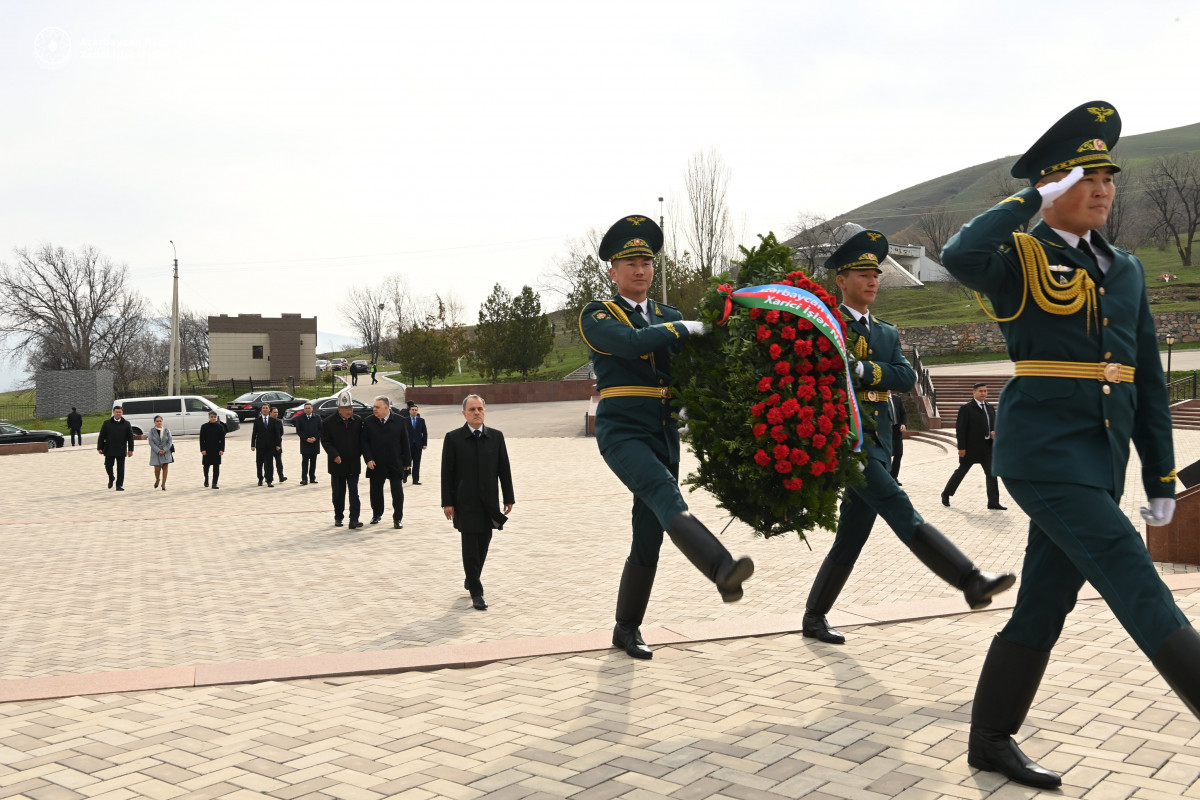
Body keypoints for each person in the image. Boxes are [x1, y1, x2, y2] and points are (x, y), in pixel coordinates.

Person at [942, 101, 1199, 789]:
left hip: (1102, 458)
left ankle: (990, 739)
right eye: (1085, 176)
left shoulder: (1129, 269)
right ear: (1055, 187)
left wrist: (1161, 476)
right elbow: (957, 255)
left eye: (1108, 176)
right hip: (1044, 453)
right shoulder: (1018, 256)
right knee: (1133, 575)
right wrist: (1028, 197)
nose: (1103, 188)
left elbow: (1142, 374)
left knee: (1045, 601)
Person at [801, 229, 1015, 646]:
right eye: (861, 273)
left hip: (878, 441)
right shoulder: (827, 325)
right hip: (847, 442)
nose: (872, 280)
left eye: (875, 273)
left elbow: (904, 376)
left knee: (852, 537)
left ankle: (814, 616)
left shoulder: (886, 332)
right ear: (841, 280)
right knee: (899, 506)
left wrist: (862, 370)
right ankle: (968, 578)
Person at [580, 214, 754, 660]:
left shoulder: (668, 314)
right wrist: (682, 329)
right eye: (630, 262)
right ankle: (720, 567)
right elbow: (632, 343)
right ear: (613, 270)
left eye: (647, 261)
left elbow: (694, 371)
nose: (640, 269)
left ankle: (626, 627)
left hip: (663, 430)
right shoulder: (598, 313)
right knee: (662, 492)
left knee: (649, 531)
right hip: (622, 431)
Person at [441, 394, 515, 610]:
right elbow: (447, 473)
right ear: (464, 413)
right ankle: (476, 591)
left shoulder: (496, 437)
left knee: (484, 543)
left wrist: (509, 496)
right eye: (472, 409)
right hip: (465, 503)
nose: (476, 413)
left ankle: (471, 576)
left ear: (485, 411)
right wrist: (447, 502)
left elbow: (504, 469)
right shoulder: (453, 438)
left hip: (489, 502)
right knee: (470, 546)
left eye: (480, 409)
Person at [941, 382, 1005, 509]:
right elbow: (961, 429)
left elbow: (994, 425)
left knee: (991, 474)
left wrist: (994, 433)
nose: (983, 393)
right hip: (970, 448)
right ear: (974, 392)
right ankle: (946, 494)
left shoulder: (990, 407)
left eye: (985, 391)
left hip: (987, 447)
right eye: (980, 391)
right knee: (961, 472)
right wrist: (961, 448)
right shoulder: (966, 408)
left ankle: (993, 502)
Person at [361, 394, 411, 528]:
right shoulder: (368, 421)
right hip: (376, 464)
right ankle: (377, 514)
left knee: (397, 493)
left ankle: (397, 518)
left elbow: (405, 442)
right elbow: (364, 443)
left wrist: (407, 463)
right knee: (375, 492)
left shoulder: (400, 420)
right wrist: (368, 459)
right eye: (374, 407)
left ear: (386, 407)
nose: (374, 410)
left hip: (395, 463)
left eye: (377, 407)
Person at [320, 389, 365, 528]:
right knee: (338, 494)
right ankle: (338, 516)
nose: (349, 411)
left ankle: (354, 519)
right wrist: (334, 455)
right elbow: (325, 441)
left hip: (353, 464)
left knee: (354, 493)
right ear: (339, 409)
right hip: (337, 464)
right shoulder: (328, 422)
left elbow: (362, 441)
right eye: (346, 409)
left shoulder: (357, 421)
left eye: (351, 408)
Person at [97, 405, 134, 490]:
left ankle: (119, 485)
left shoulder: (126, 424)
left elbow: (130, 438)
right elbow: (101, 436)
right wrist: (99, 447)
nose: (118, 413)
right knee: (108, 465)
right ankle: (111, 477)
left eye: (119, 412)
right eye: (116, 412)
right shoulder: (107, 423)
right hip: (109, 448)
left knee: (120, 469)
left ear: (122, 413)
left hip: (121, 449)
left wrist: (131, 450)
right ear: (113, 412)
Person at [250, 403, 283, 486]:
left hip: (270, 446)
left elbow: (277, 434)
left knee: (269, 463)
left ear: (269, 410)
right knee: (259, 463)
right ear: (261, 410)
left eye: (266, 408)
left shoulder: (273, 421)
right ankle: (260, 479)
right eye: (263, 408)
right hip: (260, 445)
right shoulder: (257, 420)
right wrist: (252, 444)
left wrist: (278, 445)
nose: (264, 409)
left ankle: (269, 480)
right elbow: (254, 433)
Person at [294, 402, 322, 485]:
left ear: (312, 409)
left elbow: (321, 430)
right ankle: (304, 479)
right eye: (306, 408)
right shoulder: (299, 418)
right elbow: (299, 431)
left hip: (314, 443)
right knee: (305, 462)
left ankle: (312, 478)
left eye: (309, 408)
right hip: (305, 443)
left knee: (313, 462)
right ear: (304, 409)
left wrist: (315, 438)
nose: (307, 410)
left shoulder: (317, 417)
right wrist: (306, 439)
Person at [199, 410, 225, 489]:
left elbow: (222, 439)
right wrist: (202, 449)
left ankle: (214, 483)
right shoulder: (204, 427)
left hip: (217, 449)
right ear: (209, 417)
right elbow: (201, 439)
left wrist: (222, 449)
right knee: (206, 466)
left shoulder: (220, 427)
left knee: (216, 467)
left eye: (214, 417)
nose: (213, 418)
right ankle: (206, 479)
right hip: (207, 449)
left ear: (216, 418)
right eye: (211, 417)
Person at [147, 415, 174, 491]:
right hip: (156, 452)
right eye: (157, 421)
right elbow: (151, 442)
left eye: (160, 421)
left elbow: (170, 441)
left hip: (166, 452)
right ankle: (157, 479)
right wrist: (158, 450)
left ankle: (163, 484)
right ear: (154, 422)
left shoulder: (167, 430)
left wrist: (165, 449)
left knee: (165, 467)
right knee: (157, 468)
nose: (159, 422)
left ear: (162, 421)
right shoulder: (151, 431)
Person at [407, 403, 428, 484]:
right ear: (409, 411)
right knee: (407, 462)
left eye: (416, 410)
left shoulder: (421, 420)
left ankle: (415, 480)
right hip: (408, 445)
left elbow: (425, 433)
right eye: (412, 410)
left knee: (417, 463)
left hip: (418, 445)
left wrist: (424, 443)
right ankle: (404, 477)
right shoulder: (405, 420)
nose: (414, 411)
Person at [889, 393, 906, 483]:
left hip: (897, 429)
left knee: (899, 453)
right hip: (887, 430)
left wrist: (903, 424)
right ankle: (887, 478)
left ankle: (894, 477)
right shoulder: (882, 400)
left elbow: (903, 413)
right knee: (888, 454)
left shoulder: (897, 399)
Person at [270, 407, 288, 483]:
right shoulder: (268, 421)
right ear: (270, 413)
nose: (276, 414)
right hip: (269, 445)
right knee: (268, 463)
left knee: (279, 462)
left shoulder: (279, 421)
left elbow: (281, 433)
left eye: (277, 412)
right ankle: (268, 476)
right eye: (274, 412)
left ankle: (281, 476)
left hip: (278, 445)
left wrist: (278, 444)